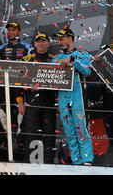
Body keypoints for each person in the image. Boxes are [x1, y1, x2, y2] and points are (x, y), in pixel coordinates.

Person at [52, 28, 94, 165]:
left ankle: (87, 159)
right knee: (69, 130)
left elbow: (87, 71)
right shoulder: (56, 57)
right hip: (62, 95)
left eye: (61, 38)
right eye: (58, 39)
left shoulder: (82, 54)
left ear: (70, 38)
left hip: (78, 95)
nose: (59, 42)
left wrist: (72, 60)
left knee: (81, 127)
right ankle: (76, 160)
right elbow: (49, 77)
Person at [20, 32, 56, 163]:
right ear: (34, 44)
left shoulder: (55, 60)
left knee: (49, 133)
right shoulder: (26, 60)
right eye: (38, 41)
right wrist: (20, 103)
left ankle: (49, 162)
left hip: (49, 102)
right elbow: (17, 83)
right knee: (31, 133)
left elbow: (61, 82)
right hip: (31, 102)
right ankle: (32, 162)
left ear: (48, 43)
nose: (41, 44)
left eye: (43, 41)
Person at [0, 21, 31, 147]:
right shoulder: (1, 49)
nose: (11, 32)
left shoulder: (27, 48)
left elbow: (32, 68)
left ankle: (20, 144)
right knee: (3, 114)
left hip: (21, 88)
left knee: (22, 114)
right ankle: (6, 142)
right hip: (5, 87)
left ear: (19, 32)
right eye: (9, 30)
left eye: (14, 30)